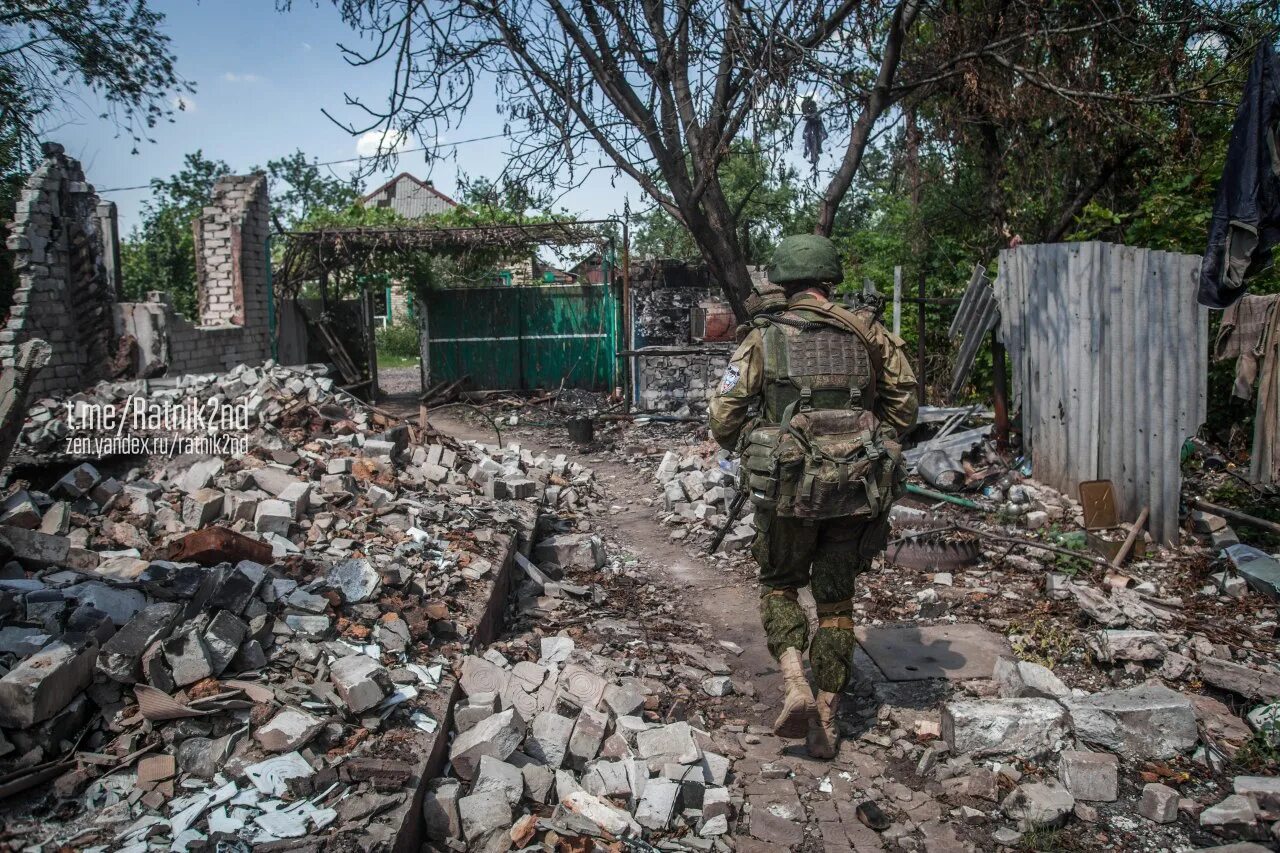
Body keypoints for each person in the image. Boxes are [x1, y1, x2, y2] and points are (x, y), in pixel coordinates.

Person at [708, 235, 918, 758]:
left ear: (782, 280)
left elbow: (722, 417)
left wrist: (760, 442)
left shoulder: (763, 337)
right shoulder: (869, 332)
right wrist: (865, 448)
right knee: (837, 603)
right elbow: (906, 406)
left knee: (779, 584)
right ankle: (826, 714)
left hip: (787, 493)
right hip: (854, 491)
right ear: (830, 279)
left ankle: (795, 680)